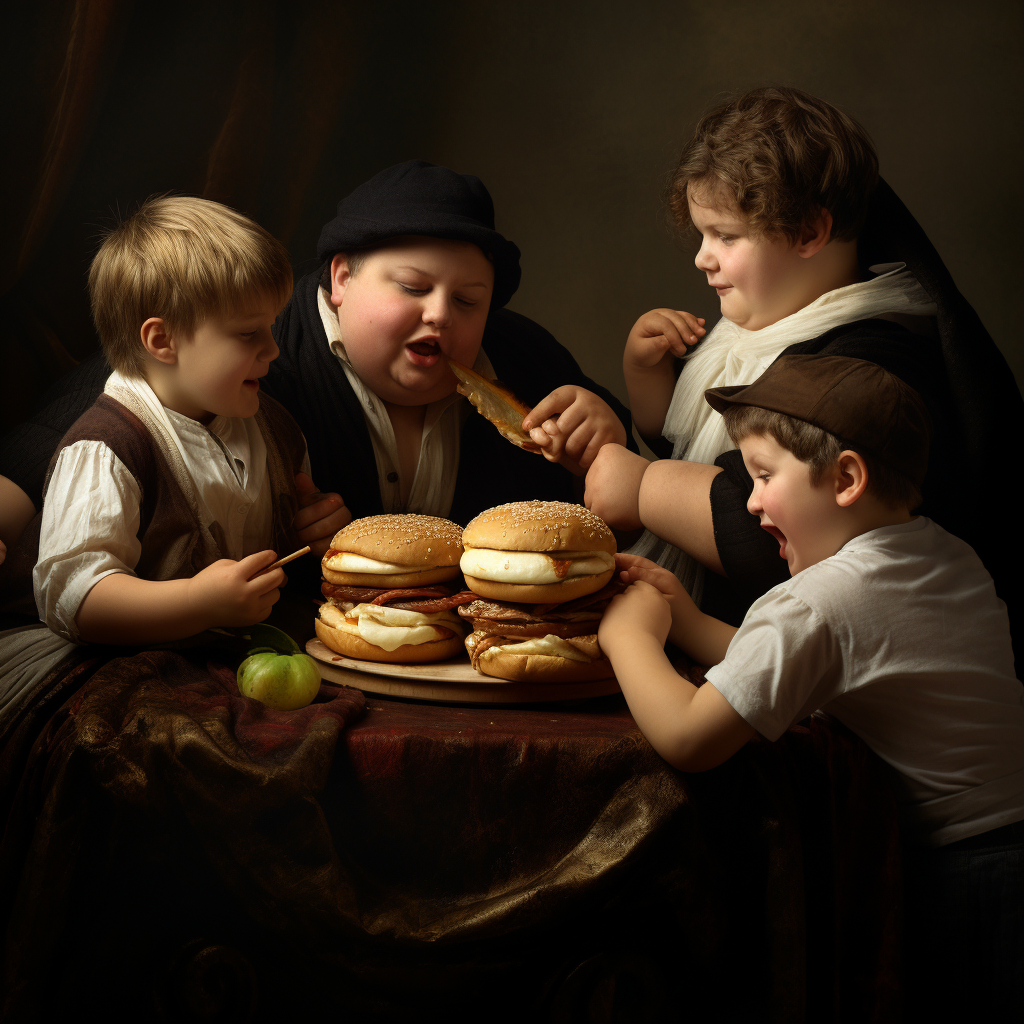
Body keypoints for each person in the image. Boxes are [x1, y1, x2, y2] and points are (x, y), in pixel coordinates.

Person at [598, 353, 1024, 1020]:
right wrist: (684, 617)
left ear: (846, 478)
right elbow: (791, 670)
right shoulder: (943, 554)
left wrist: (627, 638)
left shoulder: (819, 601)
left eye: (765, 475)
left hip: (959, 877)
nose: (750, 499)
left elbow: (688, 737)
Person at [584, 86, 1023, 656]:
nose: (702, 257)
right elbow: (690, 446)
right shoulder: (755, 328)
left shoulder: (864, 368)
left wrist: (643, 489)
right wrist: (644, 376)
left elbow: (777, 535)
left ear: (810, 232)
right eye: (701, 234)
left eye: (726, 236)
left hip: (805, 670)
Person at [0, 161, 633, 545]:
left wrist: (606, 433)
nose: (441, 313)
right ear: (339, 279)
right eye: (413, 287)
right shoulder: (255, 337)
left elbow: (611, 486)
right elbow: (102, 411)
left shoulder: (520, 360)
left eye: (469, 300)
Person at [0, 196, 347, 708]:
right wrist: (200, 601)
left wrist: (313, 528)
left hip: (224, 647)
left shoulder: (275, 427)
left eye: (272, 327)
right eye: (249, 333)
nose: (273, 350)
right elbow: (76, 598)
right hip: (89, 654)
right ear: (163, 340)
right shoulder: (107, 445)